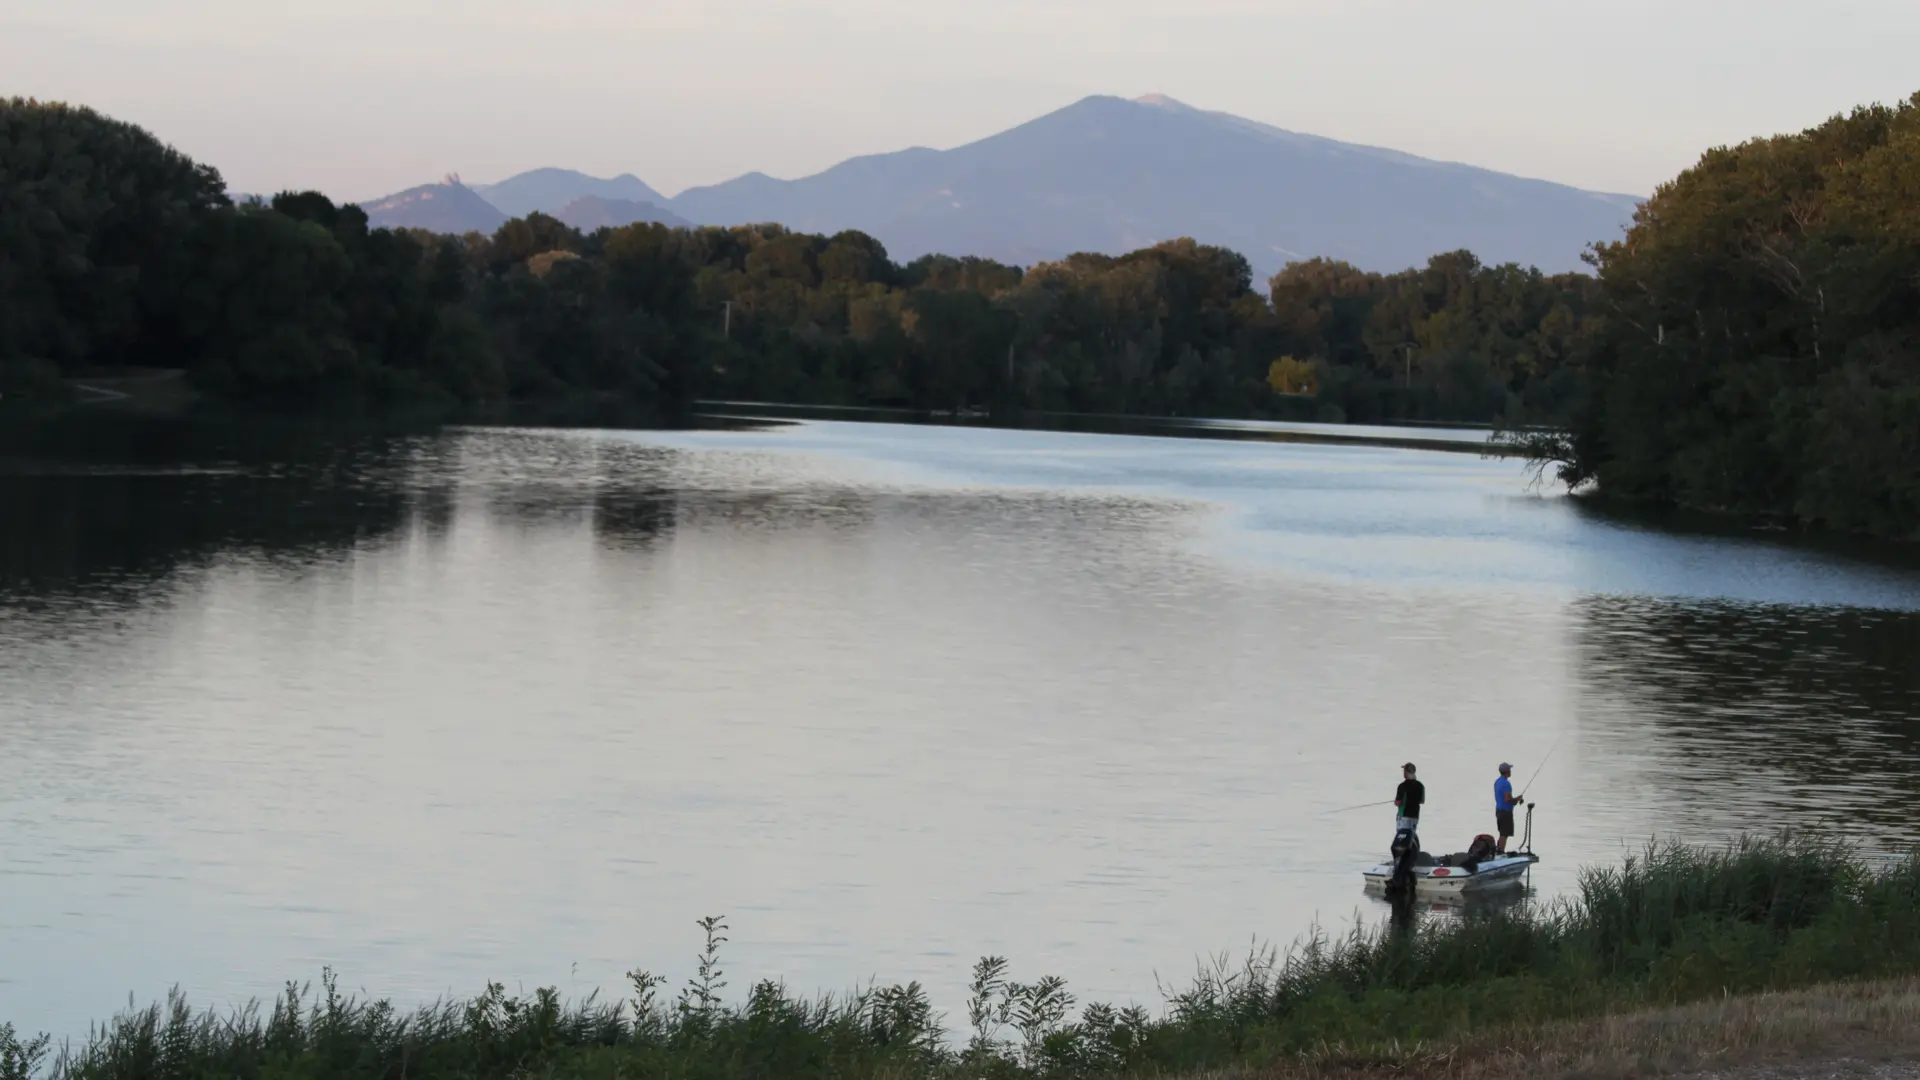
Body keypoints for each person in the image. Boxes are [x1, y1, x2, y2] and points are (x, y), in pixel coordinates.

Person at [1494, 762, 1525, 853]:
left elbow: (1500, 798)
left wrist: (1514, 801)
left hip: (1499, 810)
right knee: (1504, 833)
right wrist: (1517, 799)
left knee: (1502, 832)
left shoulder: (1497, 782)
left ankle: (1498, 850)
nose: (1510, 771)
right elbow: (1507, 799)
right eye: (1509, 770)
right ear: (1507, 771)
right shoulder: (1506, 783)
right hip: (1505, 812)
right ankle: (1500, 852)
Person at [1394, 762, 1424, 834]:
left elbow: (1398, 802)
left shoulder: (1402, 786)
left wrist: (1396, 802)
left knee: (1401, 838)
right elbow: (1422, 801)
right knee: (1410, 838)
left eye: (1404, 771)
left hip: (1403, 816)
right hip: (1415, 816)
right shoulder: (1420, 786)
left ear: (1407, 772)